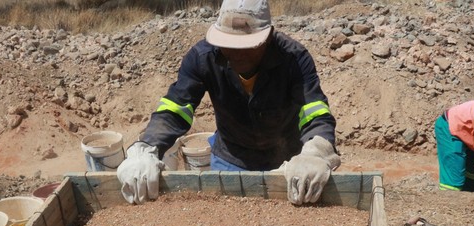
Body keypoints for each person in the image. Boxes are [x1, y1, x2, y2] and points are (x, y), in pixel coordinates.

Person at [116, 0, 340, 205]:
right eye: (229, 44)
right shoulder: (202, 58)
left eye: (248, 45)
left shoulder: (294, 59)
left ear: (269, 36)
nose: (237, 53)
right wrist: (146, 147)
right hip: (231, 159)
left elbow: (315, 112)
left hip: (288, 163)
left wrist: (315, 151)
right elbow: (175, 109)